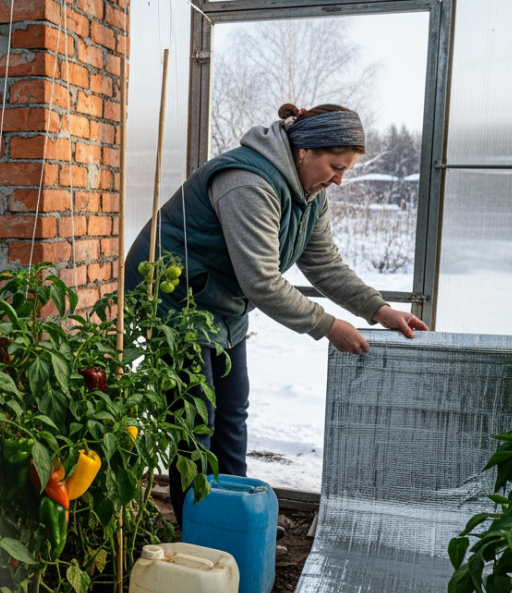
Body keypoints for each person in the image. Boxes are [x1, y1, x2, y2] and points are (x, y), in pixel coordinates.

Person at [125, 103, 429, 523]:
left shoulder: (309, 194)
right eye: (335, 166)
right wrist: (327, 326)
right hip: (174, 299)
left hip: (220, 301)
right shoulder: (247, 182)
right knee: (194, 422)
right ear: (303, 151)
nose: (339, 179)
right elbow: (262, 281)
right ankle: (199, 528)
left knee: (231, 412)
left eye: (346, 170)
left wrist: (378, 309)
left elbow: (324, 264)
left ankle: (231, 516)